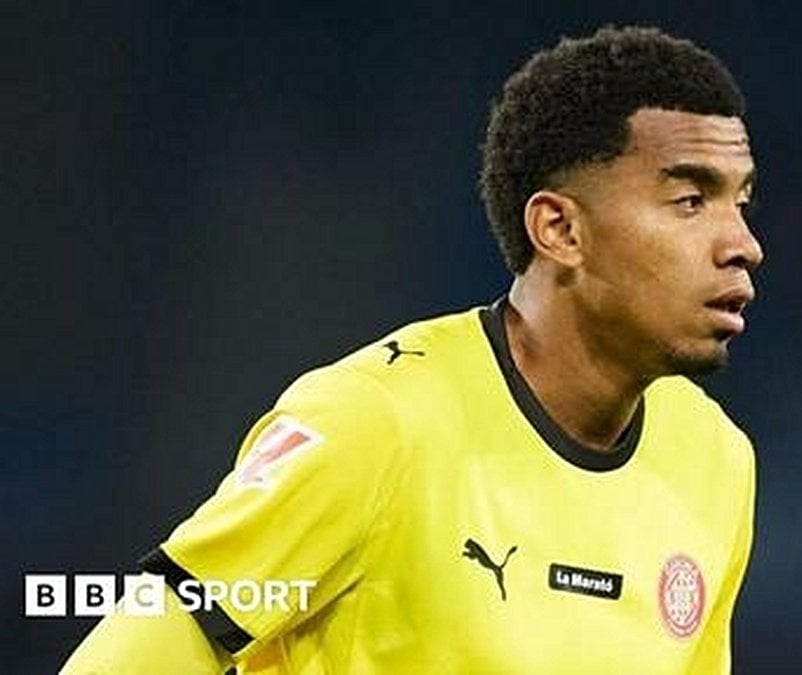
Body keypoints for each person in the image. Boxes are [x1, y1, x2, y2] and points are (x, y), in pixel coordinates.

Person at [63, 24, 764, 674]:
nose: (742, 244)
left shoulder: (717, 460)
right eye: (690, 201)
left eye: (741, 202)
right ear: (559, 229)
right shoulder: (377, 422)